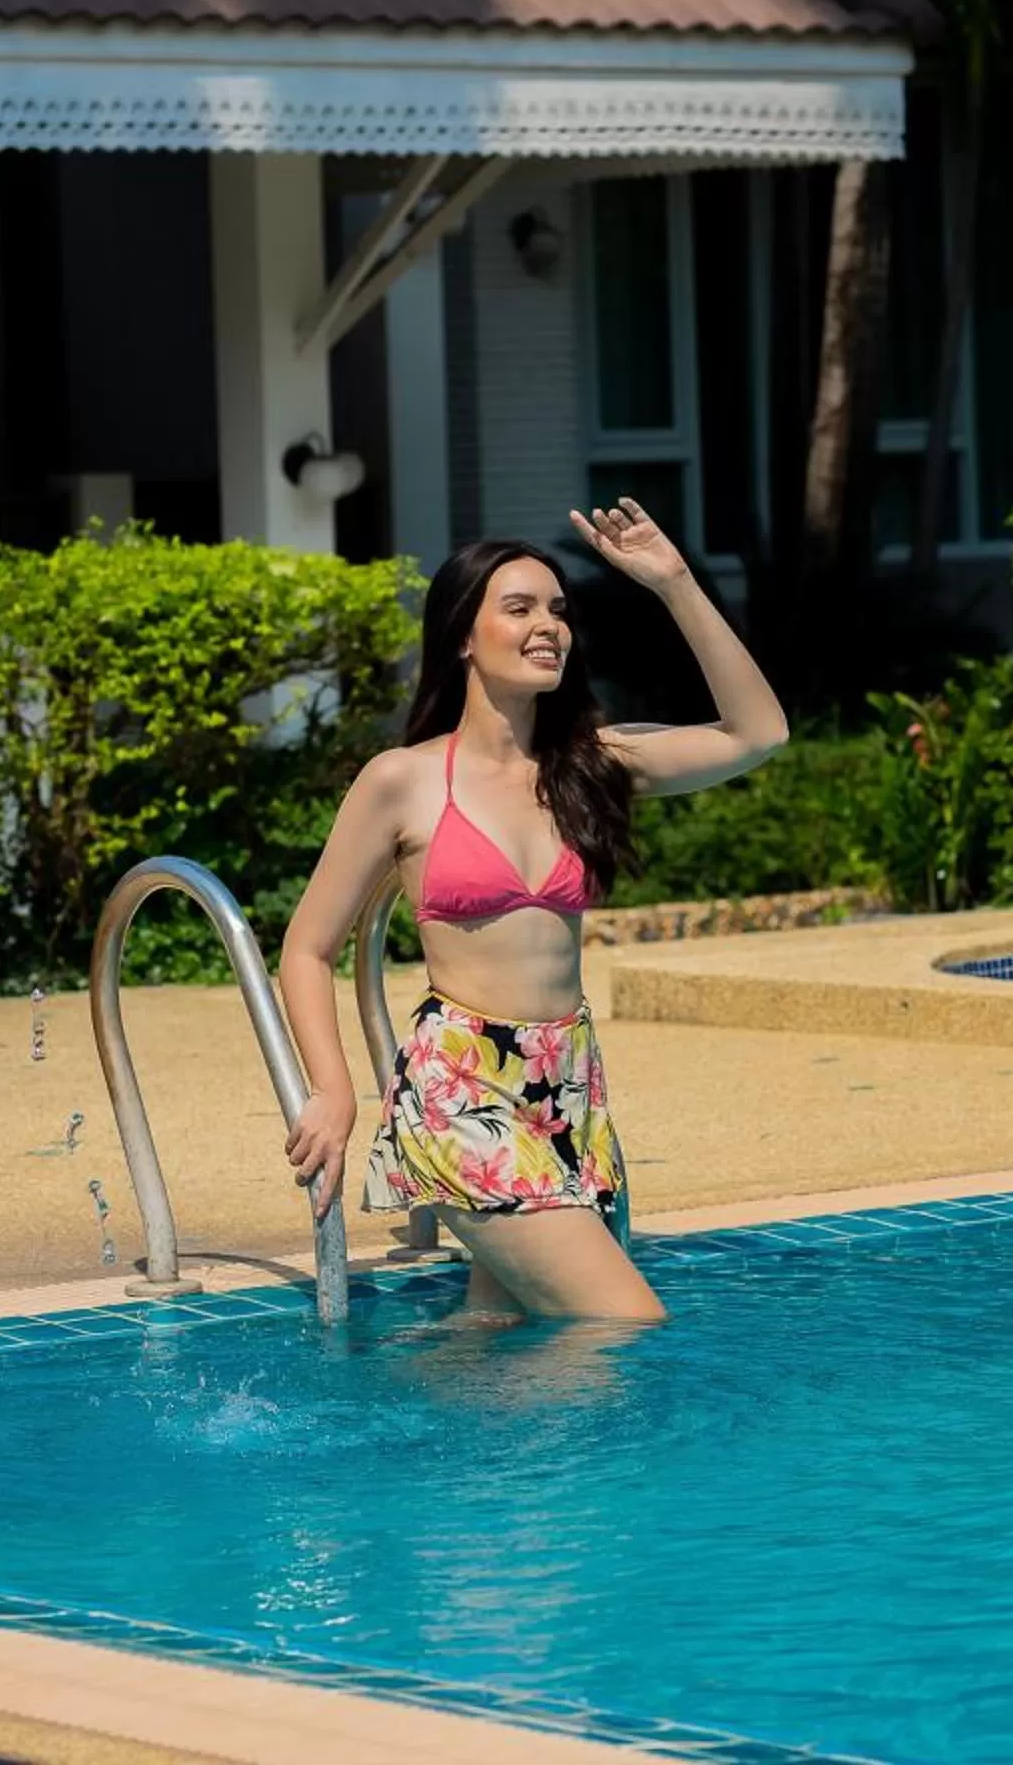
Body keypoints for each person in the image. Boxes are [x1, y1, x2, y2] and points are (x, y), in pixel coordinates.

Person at [275, 500, 788, 1322]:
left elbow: (757, 733)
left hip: (569, 1085)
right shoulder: (401, 781)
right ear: (462, 637)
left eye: (557, 609)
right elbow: (306, 948)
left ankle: (407, 1441)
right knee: (622, 1323)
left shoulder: (591, 764)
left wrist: (674, 581)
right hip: (462, 1086)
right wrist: (333, 1091)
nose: (548, 624)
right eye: (518, 608)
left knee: (499, 1330)